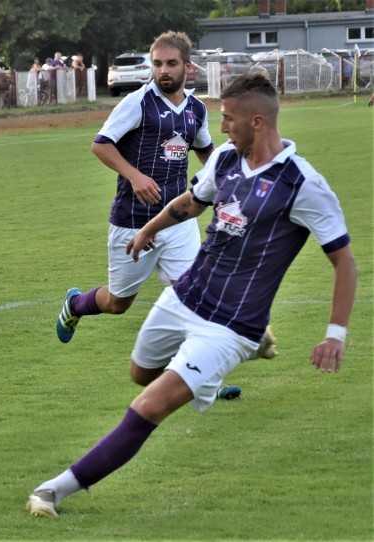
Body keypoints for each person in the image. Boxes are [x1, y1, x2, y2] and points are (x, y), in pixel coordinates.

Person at [27, 71, 357, 518]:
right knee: (140, 374)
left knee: (150, 404)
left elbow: (344, 261)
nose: (222, 127)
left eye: (230, 119)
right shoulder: (224, 159)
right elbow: (190, 202)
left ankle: (55, 490)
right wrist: (148, 229)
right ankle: (201, 376)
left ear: (258, 122)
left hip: (232, 325)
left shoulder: (303, 184)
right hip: (185, 297)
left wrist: (335, 334)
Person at [56, 32, 277, 372]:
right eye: (157, 63)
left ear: (187, 67)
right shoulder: (137, 103)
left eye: (171, 63)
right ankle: (76, 304)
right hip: (133, 220)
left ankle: (200, 378)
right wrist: (135, 176)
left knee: (193, 299)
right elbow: (101, 144)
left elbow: (205, 151)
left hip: (178, 221)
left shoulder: (196, 109)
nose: (163, 71)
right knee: (118, 303)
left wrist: (234, 179)